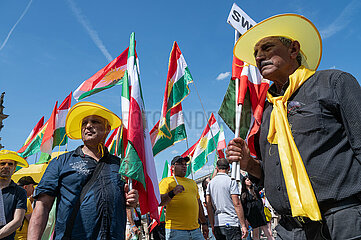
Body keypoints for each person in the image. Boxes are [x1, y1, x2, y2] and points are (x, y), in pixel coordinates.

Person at [227, 13, 361, 239]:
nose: (259, 57)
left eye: (267, 48)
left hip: (343, 219)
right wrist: (249, 164)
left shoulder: (334, 83)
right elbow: (270, 173)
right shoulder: (268, 111)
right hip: (291, 229)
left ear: (293, 50)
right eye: (255, 54)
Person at [28, 102, 138, 240]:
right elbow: (42, 206)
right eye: (84, 123)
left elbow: (125, 200)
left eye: (95, 121)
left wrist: (130, 201)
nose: (88, 125)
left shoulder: (121, 165)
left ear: (107, 128)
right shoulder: (61, 162)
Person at [159, 156, 208, 240]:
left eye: (185, 164)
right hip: (176, 230)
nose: (184, 166)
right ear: (173, 167)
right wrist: (172, 193)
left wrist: (204, 223)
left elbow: (198, 204)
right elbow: (159, 202)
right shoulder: (167, 181)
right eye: (181, 164)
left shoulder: (192, 183)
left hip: (195, 230)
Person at [206, 158, 248, 240]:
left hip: (218, 223)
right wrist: (243, 225)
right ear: (228, 168)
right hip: (231, 222)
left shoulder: (210, 184)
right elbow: (237, 203)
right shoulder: (231, 181)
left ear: (217, 168)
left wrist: (212, 224)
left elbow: (208, 205)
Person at [0, 150, 28, 240]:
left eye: (10, 164)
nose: (6, 166)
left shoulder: (20, 192)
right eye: (2, 163)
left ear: (15, 168)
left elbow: (18, 221)